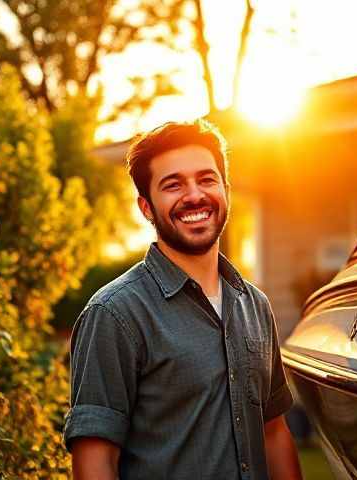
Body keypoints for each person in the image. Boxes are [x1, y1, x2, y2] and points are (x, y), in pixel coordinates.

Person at [63, 120, 303, 479]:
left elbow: (273, 433)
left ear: (226, 190)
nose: (194, 195)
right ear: (146, 207)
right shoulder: (114, 314)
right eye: (173, 184)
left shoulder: (255, 305)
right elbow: (96, 460)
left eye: (206, 179)